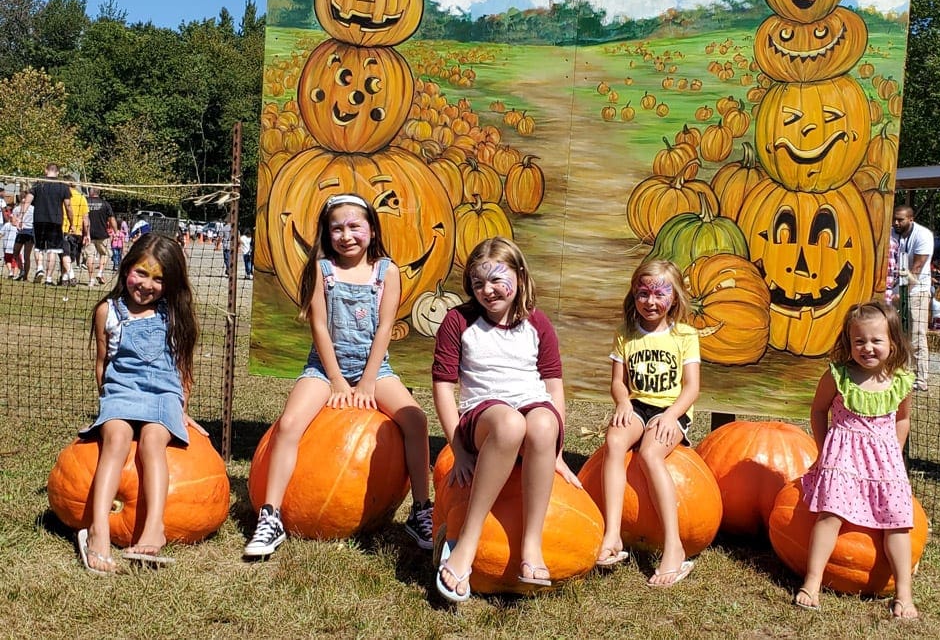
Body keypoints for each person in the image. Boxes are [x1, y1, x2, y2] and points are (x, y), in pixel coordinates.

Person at [244, 194, 433, 557]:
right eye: (337, 229)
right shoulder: (322, 270)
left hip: (374, 369)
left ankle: (421, 509)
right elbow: (318, 325)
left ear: (372, 229)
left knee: (416, 420)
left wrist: (365, 383)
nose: (346, 235)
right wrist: (335, 380)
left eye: (354, 226)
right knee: (288, 424)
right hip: (324, 366)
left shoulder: (386, 272)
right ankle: (271, 515)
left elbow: (385, 328)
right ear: (326, 234)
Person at [431, 236, 580, 603]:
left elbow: (553, 386)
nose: (489, 290)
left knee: (543, 423)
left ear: (520, 276)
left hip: (531, 407)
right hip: (484, 416)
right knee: (509, 423)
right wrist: (459, 449)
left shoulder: (537, 323)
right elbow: (443, 385)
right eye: (479, 283)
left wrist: (556, 452)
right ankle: (467, 541)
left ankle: (531, 544)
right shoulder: (458, 321)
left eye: (498, 279)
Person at [75, 233, 204, 574]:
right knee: (115, 437)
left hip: (163, 395)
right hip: (121, 392)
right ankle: (98, 530)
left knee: (152, 441)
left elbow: (182, 368)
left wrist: (182, 408)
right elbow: (103, 362)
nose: (147, 285)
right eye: (141, 273)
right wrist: (108, 404)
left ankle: (153, 529)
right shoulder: (108, 311)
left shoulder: (173, 313)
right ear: (127, 268)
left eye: (159, 278)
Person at [794, 302, 919, 619]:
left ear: (892, 341)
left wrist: (895, 451)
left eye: (876, 340)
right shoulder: (839, 376)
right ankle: (812, 581)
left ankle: (904, 593)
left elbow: (902, 419)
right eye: (859, 341)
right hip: (843, 456)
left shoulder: (900, 381)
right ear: (848, 343)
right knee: (830, 515)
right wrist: (824, 450)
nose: (868, 347)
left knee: (898, 523)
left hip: (884, 461)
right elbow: (818, 410)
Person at [594, 259, 701, 586]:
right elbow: (617, 381)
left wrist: (671, 416)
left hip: (671, 408)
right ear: (634, 294)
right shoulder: (625, 334)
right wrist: (623, 401)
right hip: (637, 404)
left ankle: (674, 547)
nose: (650, 302)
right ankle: (613, 534)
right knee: (613, 443)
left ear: (675, 297)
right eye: (643, 293)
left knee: (650, 454)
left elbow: (692, 386)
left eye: (659, 294)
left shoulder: (685, 334)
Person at [891, 206, 933, 392]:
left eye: (900, 220)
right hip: (895, 290)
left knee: (916, 335)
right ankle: (900, 371)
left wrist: (903, 291)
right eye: (894, 219)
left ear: (911, 219)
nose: (896, 223)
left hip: (917, 290)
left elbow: (916, 268)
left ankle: (921, 378)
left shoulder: (923, 235)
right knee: (896, 334)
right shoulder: (892, 232)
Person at [21, 163, 72, 285]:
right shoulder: (62, 186)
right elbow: (68, 207)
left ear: (45, 170)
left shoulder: (38, 184)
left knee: (38, 247)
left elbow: (27, 201)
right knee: (53, 250)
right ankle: (48, 279)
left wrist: (20, 217)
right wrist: (72, 223)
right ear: (58, 172)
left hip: (39, 220)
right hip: (55, 221)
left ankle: (39, 267)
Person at [59, 182, 90, 287]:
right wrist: (87, 234)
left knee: (64, 255)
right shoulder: (82, 198)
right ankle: (64, 279)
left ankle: (70, 276)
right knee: (67, 256)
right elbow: (86, 219)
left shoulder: (62, 196)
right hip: (77, 233)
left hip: (64, 229)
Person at [85, 187, 116, 287]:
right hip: (102, 234)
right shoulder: (105, 204)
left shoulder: (85, 202)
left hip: (88, 233)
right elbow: (112, 219)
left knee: (90, 256)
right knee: (105, 254)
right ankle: (100, 272)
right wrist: (116, 231)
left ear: (90, 192)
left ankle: (91, 280)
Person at [11, 200, 34, 280]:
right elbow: (13, 222)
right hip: (23, 232)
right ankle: (22, 272)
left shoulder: (33, 209)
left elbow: (13, 222)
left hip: (28, 232)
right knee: (18, 253)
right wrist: (17, 223)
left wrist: (17, 222)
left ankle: (25, 275)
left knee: (23, 255)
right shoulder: (17, 209)